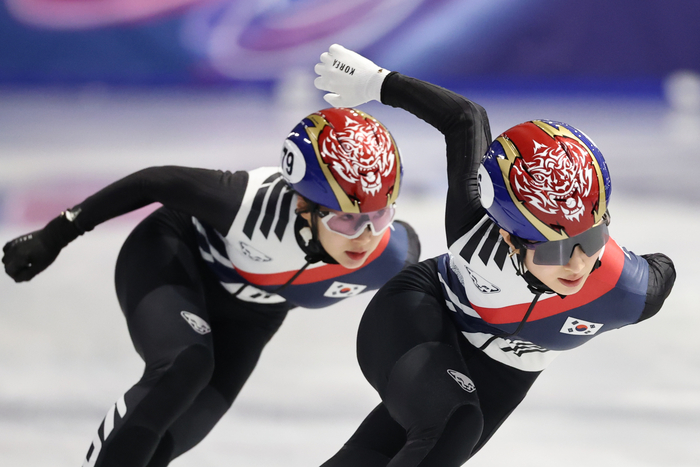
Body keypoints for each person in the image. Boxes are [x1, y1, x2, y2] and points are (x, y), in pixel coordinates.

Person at [313, 44, 676, 467]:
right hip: (424, 311)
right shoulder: (474, 233)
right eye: (556, 249)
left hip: (505, 366)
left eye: (592, 240)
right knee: (453, 423)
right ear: (509, 238)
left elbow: (664, 269)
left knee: (380, 453)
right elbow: (465, 119)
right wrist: (378, 83)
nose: (578, 263)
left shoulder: (626, 289)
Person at [2, 107, 420, 467]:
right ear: (301, 205)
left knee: (174, 434)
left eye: (380, 215)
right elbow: (153, 182)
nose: (366, 236)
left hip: (253, 315)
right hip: (175, 256)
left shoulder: (393, 257)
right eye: (346, 219)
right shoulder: (248, 205)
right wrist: (55, 235)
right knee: (185, 367)